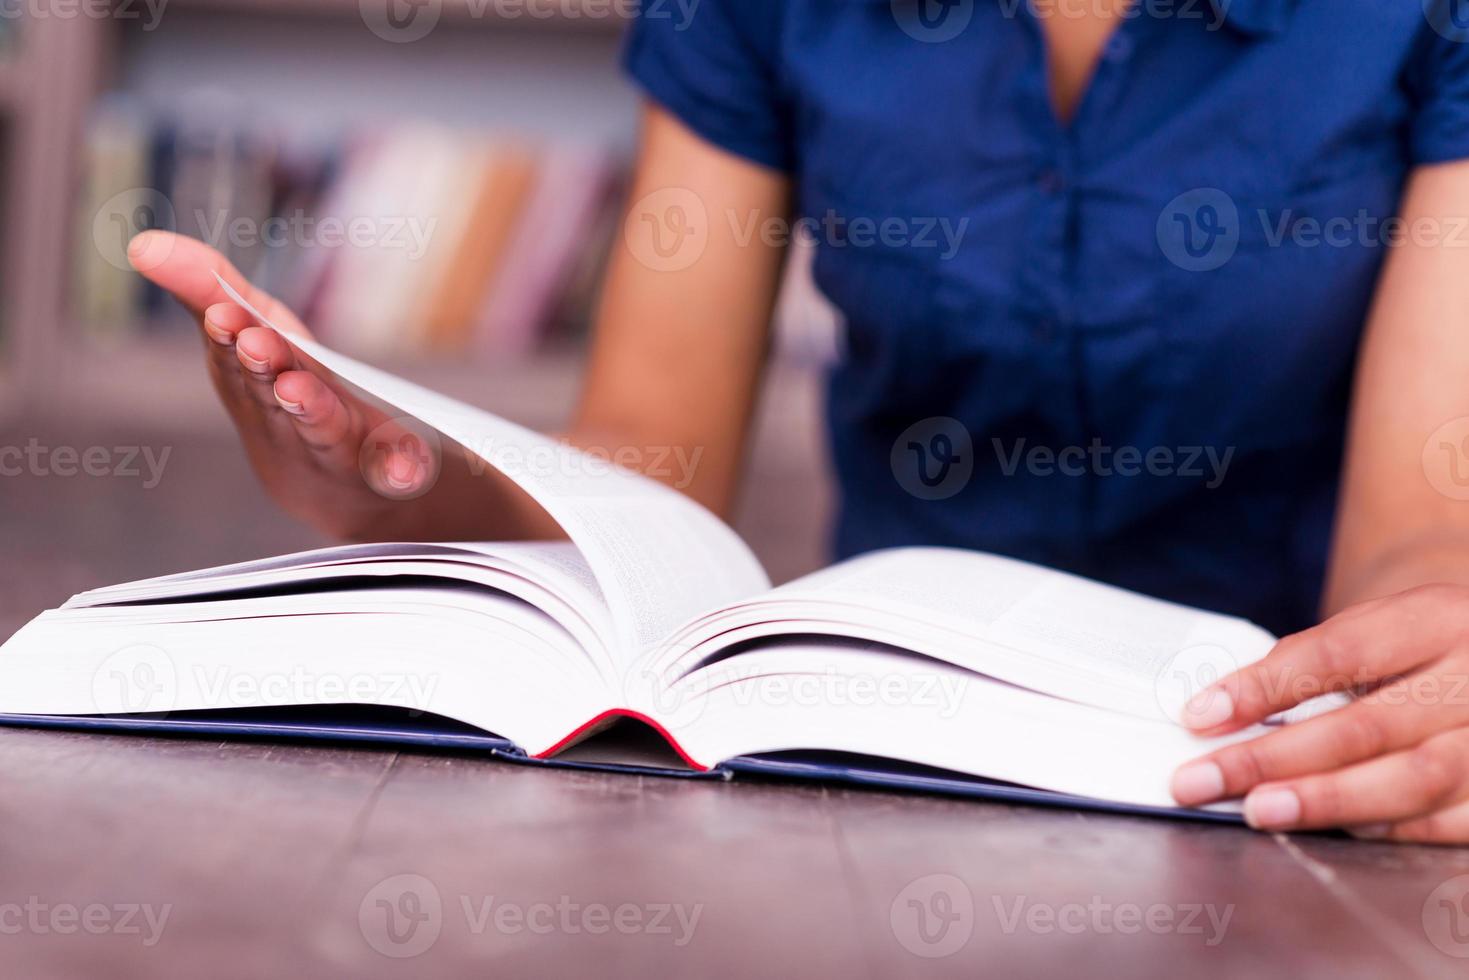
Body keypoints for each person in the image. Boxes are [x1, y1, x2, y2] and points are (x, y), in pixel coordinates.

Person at [127, 0, 1469, 842]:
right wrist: (397, 477)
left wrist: (1427, 677)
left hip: (1263, 786)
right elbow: (647, 467)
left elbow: (1422, 526)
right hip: (878, 771)